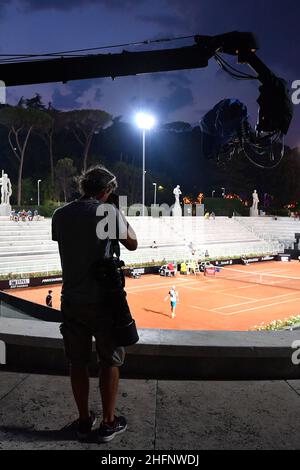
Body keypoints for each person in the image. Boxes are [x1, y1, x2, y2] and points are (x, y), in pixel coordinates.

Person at [52, 165, 138, 443]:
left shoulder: (60, 214)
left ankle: (83, 421)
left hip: (72, 299)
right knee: (109, 361)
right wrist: (114, 210)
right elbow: (132, 242)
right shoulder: (108, 212)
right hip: (103, 301)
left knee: (77, 362)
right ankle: (108, 422)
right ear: (106, 191)